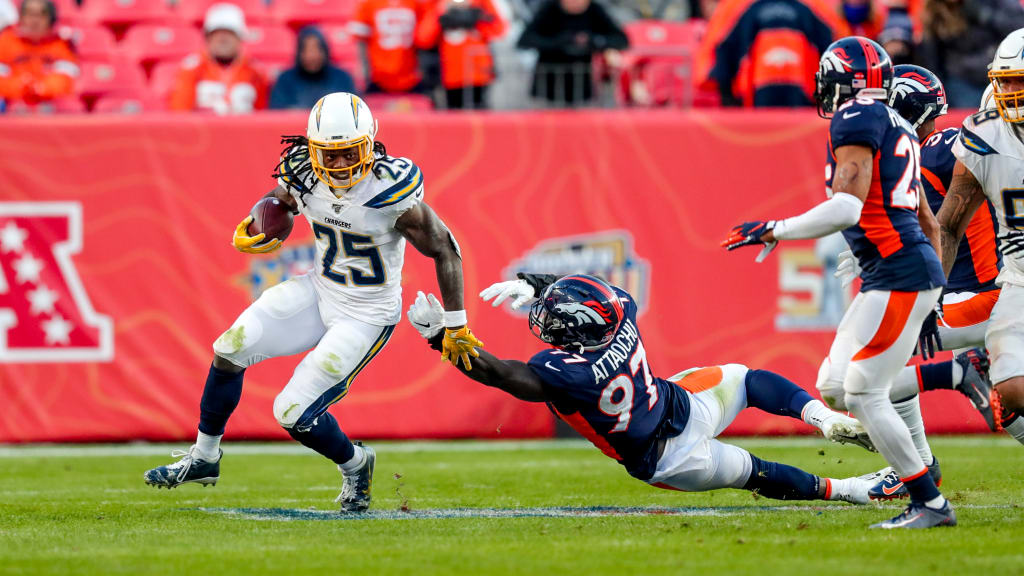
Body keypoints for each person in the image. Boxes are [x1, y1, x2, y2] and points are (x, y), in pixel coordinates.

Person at [143, 93, 481, 513]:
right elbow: (278, 202)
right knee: (230, 347)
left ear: (370, 145)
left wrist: (457, 323)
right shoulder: (304, 170)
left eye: (348, 153)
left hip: (366, 314)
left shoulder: (390, 188)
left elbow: (445, 249)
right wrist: (256, 223)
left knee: (291, 411)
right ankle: (205, 456)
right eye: (329, 154)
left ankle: (356, 464)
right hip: (319, 289)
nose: (338, 165)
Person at [722, 37, 955, 529]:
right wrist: (932, 301)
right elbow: (930, 224)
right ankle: (899, 447)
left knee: (865, 393)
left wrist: (776, 229)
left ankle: (927, 498)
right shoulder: (895, 123)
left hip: (899, 271)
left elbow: (847, 207)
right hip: (892, 272)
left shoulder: (857, 116)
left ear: (844, 81)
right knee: (834, 386)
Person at [406, 274, 884, 505]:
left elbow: (499, 373)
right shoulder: (621, 311)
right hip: (678, 408)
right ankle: (823, 419)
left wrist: (439, 339)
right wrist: (540, 285)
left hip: (667, 457)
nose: (544, 320)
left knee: (753, 472)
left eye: (553, 316)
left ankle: (845, 490)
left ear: (572, 332)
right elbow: (592, 295)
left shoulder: (564, 370)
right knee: (746, 380)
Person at [835, 64, 1002, 500]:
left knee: (868, 365)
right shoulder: (930, 151)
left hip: (986, 297)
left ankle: (921, 462)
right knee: (1012, 400)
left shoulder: (938, 149)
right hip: (982, 295)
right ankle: (921, 460)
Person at [935, 28, 1024, 459]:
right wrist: (927, 293)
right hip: (1019, 281)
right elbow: (949, 225)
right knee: (1011, 392)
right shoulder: (984, 135)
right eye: (1003, 80)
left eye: (1018, 82)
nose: (1008, 91)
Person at [707, 0, 835, 107]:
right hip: (797, 101)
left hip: (763, 101)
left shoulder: (748, 9)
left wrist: (727, 95)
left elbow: (726, 49)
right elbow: (831, 50)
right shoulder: (807, 9)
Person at [517, 0, 627, 106]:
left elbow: (621, 40)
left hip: (583, 89)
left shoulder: (595, 10)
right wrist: (559, 42)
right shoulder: (549, 10)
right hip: (548, 88)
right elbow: (524, 40)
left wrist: (594, 41)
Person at [918, 0, 1024, 108]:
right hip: (962, 83)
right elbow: (931, 58)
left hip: (1002, 77)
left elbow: (1019, 29)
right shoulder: (935, 9)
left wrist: (985, 15)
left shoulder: (994, 3)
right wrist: (938, 93)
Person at [169, 3, 268, 114]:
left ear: (240, 37)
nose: (223, 39)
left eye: (229, 33)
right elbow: (179, 113)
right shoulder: (192, 68)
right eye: (217, 33)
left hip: (246, 129)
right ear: (208, 37)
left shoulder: (255, 71)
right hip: (204, 130)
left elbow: (263, 115)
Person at [415, 0, 505, 109]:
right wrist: (440, 12)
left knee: (480, 117)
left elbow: (499, 29)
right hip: (449, 76)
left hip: (478, 74)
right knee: (453, 119)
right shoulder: (437, 5)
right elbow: (423, 39)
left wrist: (475, 19)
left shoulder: (480, 3)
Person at [0, 0, 77, 107]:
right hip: (13, 106)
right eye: (29, 14)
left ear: (51, 20)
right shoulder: (6, 40)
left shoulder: (60, 43)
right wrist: (20, 87)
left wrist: (42, 88)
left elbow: (65, 79)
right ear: (21, 17)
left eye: (42, 15)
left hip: (51, 106)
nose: (35, 20)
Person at [270, 27, 357, 110]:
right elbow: (277, 113)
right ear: (299, 52)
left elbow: (354, 111)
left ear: (325, 51)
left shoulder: (342, 78)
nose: (312, 56)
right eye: (306, 50)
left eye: (317, 49)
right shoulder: (285, 80)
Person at [349, 0, 424, 94]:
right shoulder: (368, 4)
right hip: (378, 76)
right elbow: (360, 40)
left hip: (411, 76)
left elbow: (424, 37)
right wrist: (365, 69)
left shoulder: (415, 3)